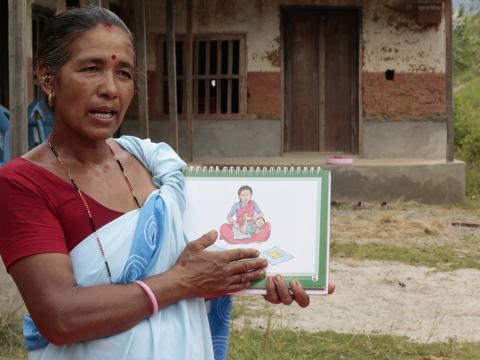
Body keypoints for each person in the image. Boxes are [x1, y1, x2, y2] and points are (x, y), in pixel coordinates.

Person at [0, 6, 331, 360]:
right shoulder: (23, 183)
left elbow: (189, 274)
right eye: (91, 68)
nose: (111, 89)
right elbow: (60, 317)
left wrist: (264, 274)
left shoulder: (155, 166)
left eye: (123, 73)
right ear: (48, 77)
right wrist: (183, 282)